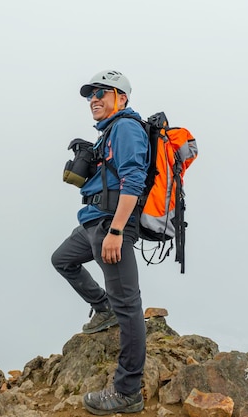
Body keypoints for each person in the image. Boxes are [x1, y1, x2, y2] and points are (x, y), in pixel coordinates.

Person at [51, 70, 149, 415]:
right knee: (62, 259)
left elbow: (133, 180)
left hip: (111, 224)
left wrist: (118, 231)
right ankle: (102, 307)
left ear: (121, 97)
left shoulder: (125, 127)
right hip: (92, 223)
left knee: (129, 305)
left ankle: (128, 392)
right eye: (90, 94)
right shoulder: (107, 132)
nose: (93, 98)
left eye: (101, 92)